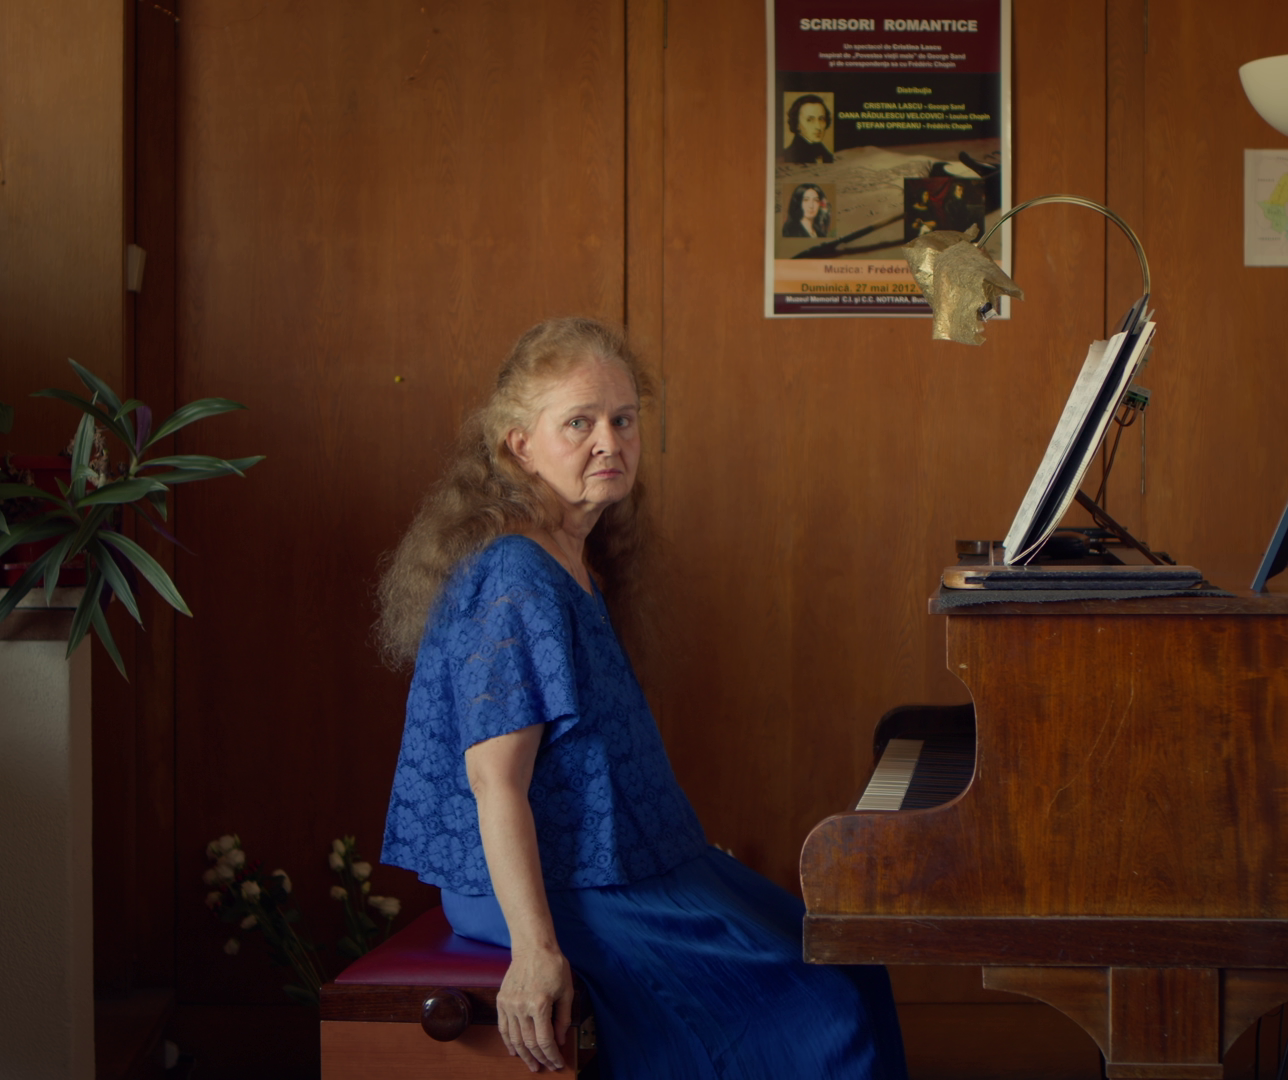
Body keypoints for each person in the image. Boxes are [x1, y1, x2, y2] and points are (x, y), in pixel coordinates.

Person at [377, 317, 907, 1077]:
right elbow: (495, 783)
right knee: (824, 1008)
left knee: (852, 959)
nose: (609, 442)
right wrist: (535, 951)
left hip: (633, 862)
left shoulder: (573, 557)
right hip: (558, 884)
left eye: (623, 420)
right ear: (518, 445)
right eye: (579, 423)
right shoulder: (516, 578)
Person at [782, 94, 835, 164]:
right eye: (810, 120)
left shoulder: (825, 153)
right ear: (797, 123)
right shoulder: (787, 157)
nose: (818, 127)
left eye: (821, 119)